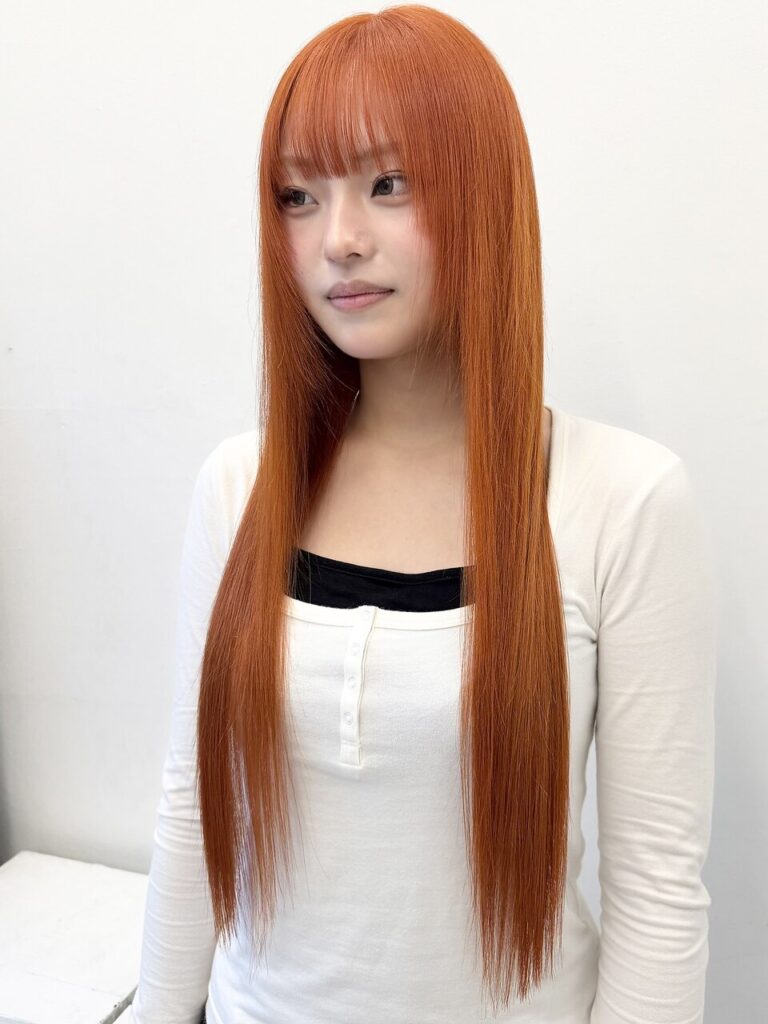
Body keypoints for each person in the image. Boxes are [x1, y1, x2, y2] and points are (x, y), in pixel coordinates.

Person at [126, 5, 717, 1023]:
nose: (339, 241)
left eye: (388, 183)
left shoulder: (622, 500)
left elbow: (657, 894)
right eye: (299, 196)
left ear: (485, 192)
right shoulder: (238, 486)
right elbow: (192, 810)